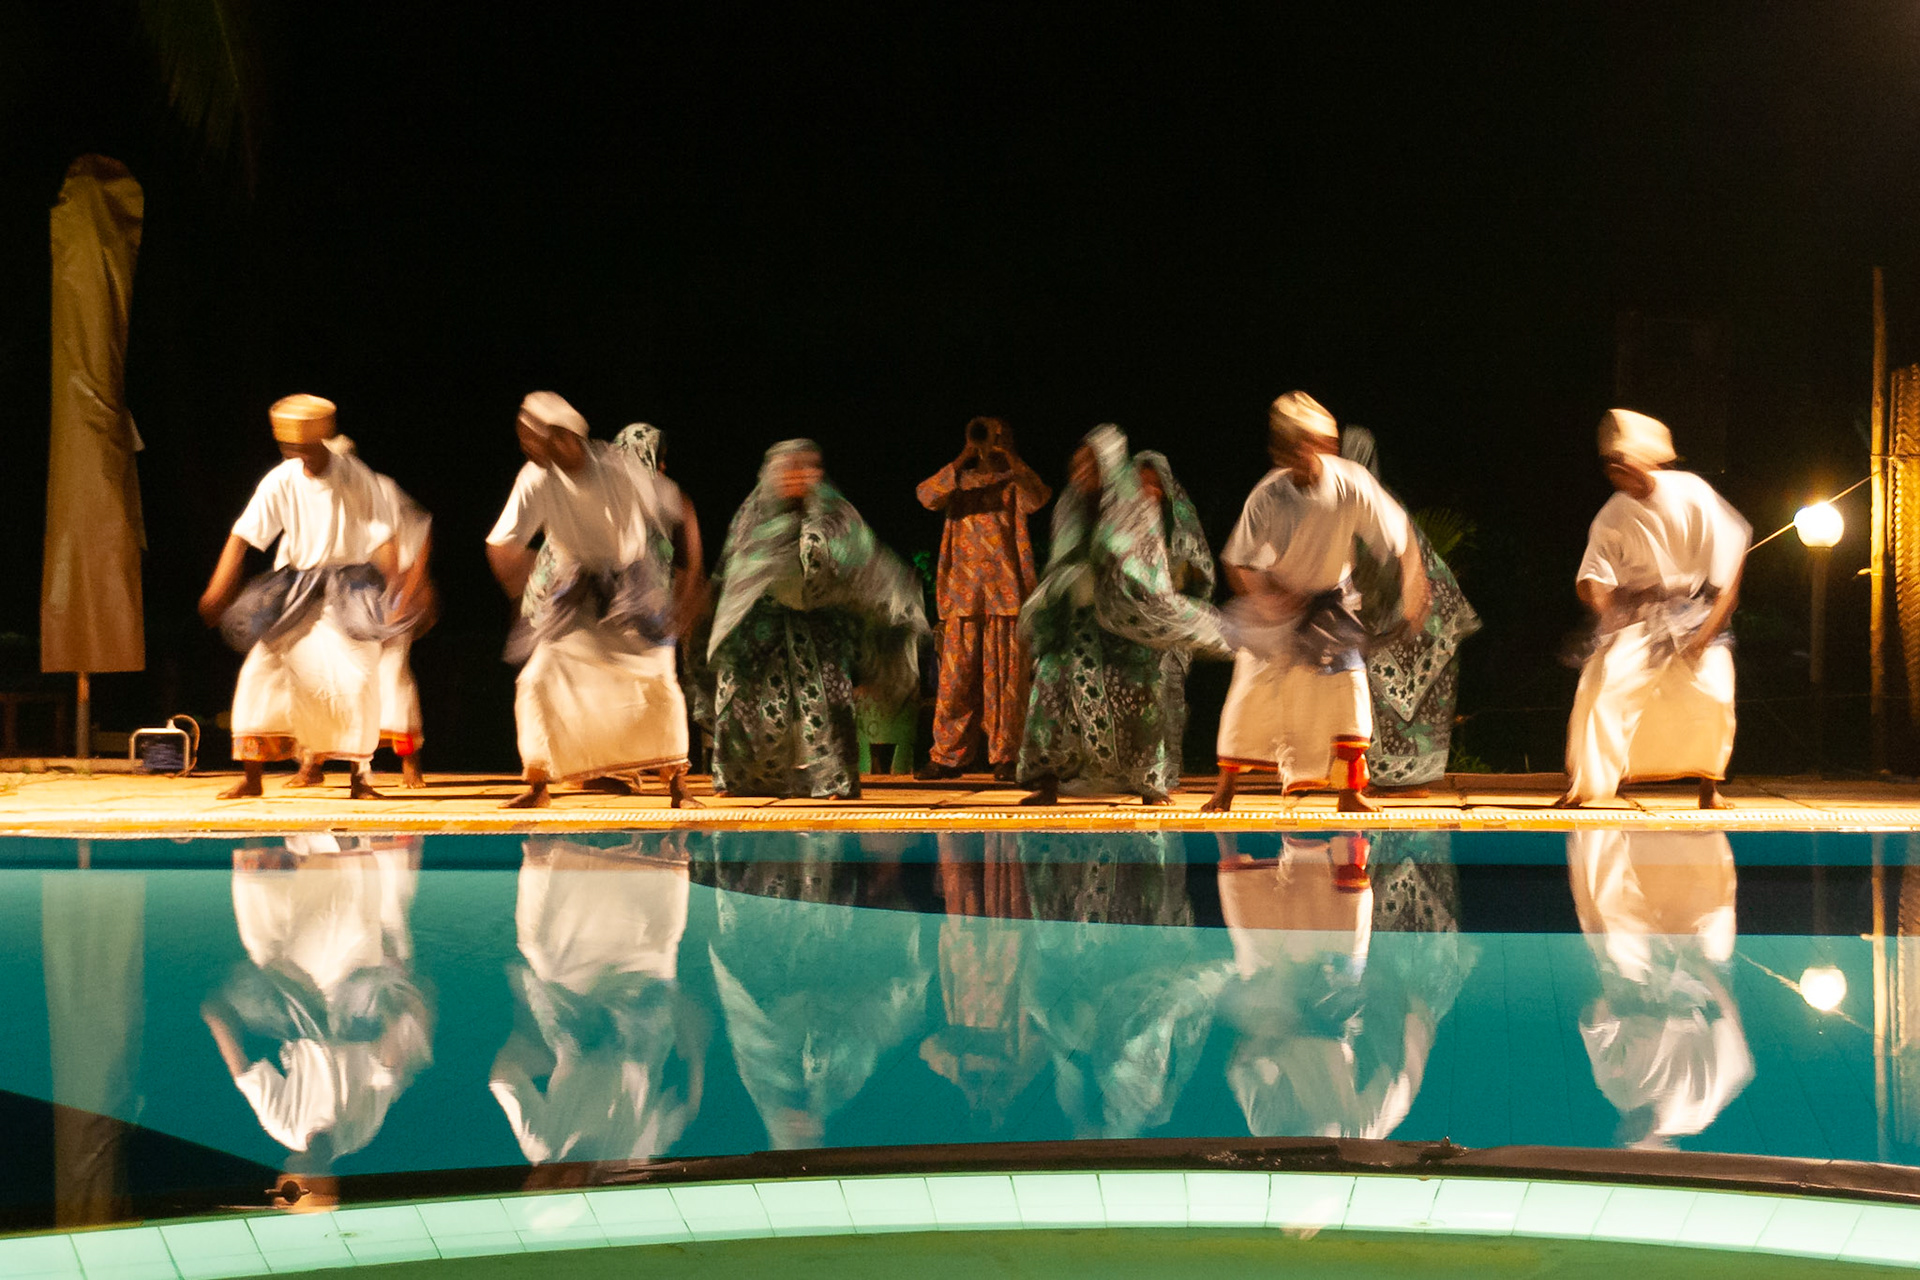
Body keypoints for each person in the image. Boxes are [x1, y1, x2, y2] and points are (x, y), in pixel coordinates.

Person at [1205, 393, 1429, 814]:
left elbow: (1402, 535)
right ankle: (1225, 789)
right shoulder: (1268, 496)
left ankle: (1351, 792)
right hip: (1278, 608)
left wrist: (1414, 584)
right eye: (1295, 446)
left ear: (1327, 446)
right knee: (1251, 695)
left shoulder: (1351, 482)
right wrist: (1268, 596)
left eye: (1313, 444)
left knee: (1349, 691)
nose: (1305, 453)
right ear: (1282, 452)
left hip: (1331, 604)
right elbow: (1237, 562)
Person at [198, 395, 425, 801]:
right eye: (289, 447)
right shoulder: (281, 479)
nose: (295, 453)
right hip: (297, 589)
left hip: (350, 588)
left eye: (302, 446)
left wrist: (398, 591)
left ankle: (360, 777)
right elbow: (244, 534)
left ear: (321, 441)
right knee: (261, 674)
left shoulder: (355, 475)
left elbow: (383, 534)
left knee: (355, 679)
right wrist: (219, 587)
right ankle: (252, 778)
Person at [485, 393, 705, 809]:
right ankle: (537, 783)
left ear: (565, 436)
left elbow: (683, 510)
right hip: (575, 586)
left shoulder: (618, 469)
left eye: (533, 437)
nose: (526, 446)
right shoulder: (535, 478)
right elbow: (501, 543)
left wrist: (693, 580)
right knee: (540, 675)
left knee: (655, 678)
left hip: (631, 584)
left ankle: (678, 784)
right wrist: (518, 586)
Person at [700, 440, 927, 799]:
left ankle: (833, 780)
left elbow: (864, 562)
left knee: (828, 698)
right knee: (744, 696)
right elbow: (738, 570)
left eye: (808, 468)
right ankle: (740, 778)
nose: (800, 477)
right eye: (791, 469)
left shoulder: (834, 511)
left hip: (818, 618)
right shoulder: (755, 514)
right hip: (762, 615)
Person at [1015, 425, 1228, 806]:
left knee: (1140, 700)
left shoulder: (1135, 508)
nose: (1081, 475)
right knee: (1050, 691)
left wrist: (1107, 557)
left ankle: (1149, 783)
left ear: (1110, 466)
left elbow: (1146, 567)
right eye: (1076, 467)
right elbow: (1060, 561)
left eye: (1091, 467)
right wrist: (1069, 581)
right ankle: (1045, 781)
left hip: (1128, 619)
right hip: (1076, 619)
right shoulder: (1069, 506)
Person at [1558, 409, 1749, 810]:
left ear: (1647, 459)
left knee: (1713, 694)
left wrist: (1711, 626)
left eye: (1623, 460)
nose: (1616, 469)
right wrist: (1606, 608)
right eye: (1611, 464)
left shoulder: (1692, 492)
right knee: (1606, 686)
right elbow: (1592, 576)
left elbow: (1731, 561)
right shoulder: (1614, 513)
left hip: (1696, 611)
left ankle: (1709, 787)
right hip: (1641, 620)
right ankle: (1588, 787)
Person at [1339, 427, 1481, 793]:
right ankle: (1388, 778)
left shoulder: (1376, 503)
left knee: (1405, 697)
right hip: (1399, 610)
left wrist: (1407, 608)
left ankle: (1403, 779)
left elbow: (1396, 563)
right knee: (1381, 692)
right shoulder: (1350, 503)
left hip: (1425, 610)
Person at [289, 435, 435, 790]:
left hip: (385, 595)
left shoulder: (379, 489)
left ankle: (409, 765)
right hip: (332, 599)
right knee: (320, 676)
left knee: (391, 676)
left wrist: (412, 590)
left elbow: (418, 533)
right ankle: (313, 763)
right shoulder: (307, 495)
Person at [915, 417, 1051, 782]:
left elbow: (1039, 498)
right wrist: (964, 456)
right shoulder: (957, 484)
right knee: (954, 682)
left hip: (1006, 594)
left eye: (993, 435)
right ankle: (946, 756)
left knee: (1006, 684)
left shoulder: (1015, 484)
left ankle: (1006, 756)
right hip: (963, 595)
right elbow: (926, 496)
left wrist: (1011, 456)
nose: (987, 442)